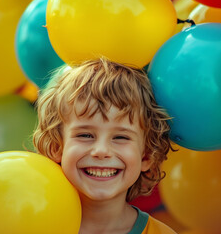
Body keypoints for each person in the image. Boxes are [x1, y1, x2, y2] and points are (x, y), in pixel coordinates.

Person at [33, 58, 176, 234]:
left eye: (120, 137)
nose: (101, 151)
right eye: (85, 135)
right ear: (57, 146)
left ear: (146, 155)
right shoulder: (33, 225)